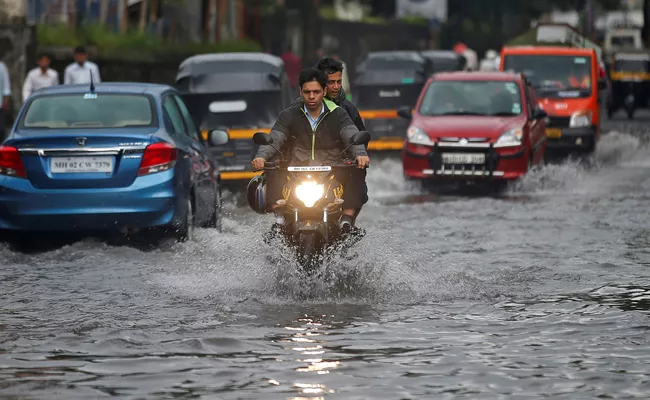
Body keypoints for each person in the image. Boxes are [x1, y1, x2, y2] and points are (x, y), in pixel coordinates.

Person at [251, 68, 370, 234]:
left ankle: (346, 222)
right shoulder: (289, 115)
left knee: (357, 170)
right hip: (295, 173)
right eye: (307, 92)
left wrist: (360, 154)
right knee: (273, 168)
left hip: (331, 172)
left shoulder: (338, 114)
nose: (312, 96)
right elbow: (275, 139)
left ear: (324, 91)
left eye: (316, 92)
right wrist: (261, 157)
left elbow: (352, 135)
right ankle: (279, 220)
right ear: (301, 92)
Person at [0, 60, 10, 138]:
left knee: (1, 130)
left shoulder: (2, 67)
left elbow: (6, 86)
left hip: (0, 105)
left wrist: (6, 100)